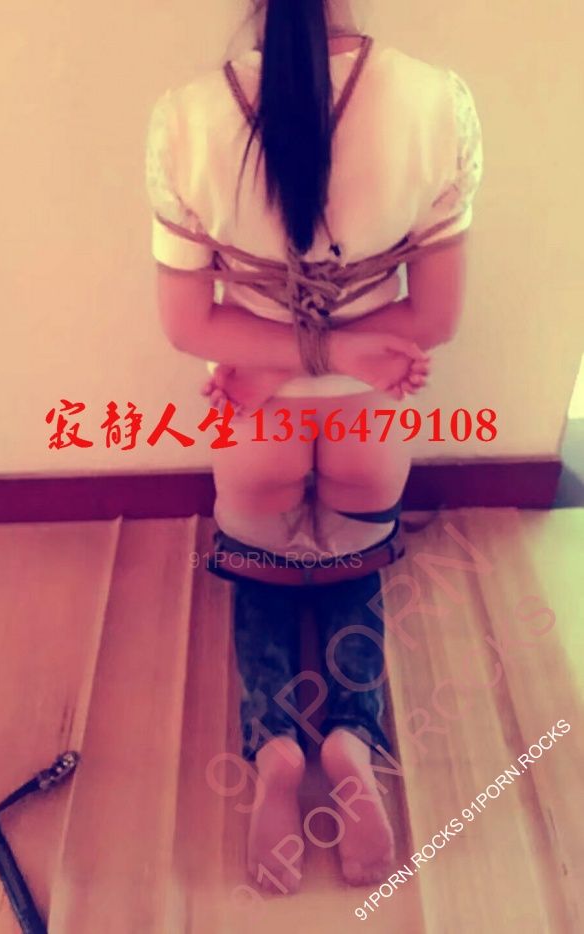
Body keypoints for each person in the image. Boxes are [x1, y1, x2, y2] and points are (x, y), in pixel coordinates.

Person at [145, 0, 483, 894]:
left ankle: (274, 753)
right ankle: (354, 741)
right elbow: (435, 316)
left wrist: (284, 365)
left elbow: (187, 323)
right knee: (351, 567)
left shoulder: (188, 117)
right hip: (372, 413)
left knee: (262, 577)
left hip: (254, 407)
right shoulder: (436, 104)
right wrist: (347, 356)